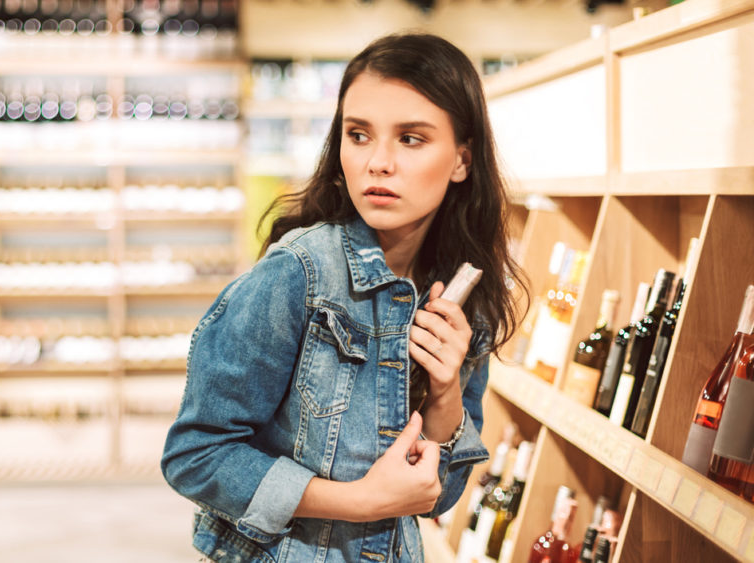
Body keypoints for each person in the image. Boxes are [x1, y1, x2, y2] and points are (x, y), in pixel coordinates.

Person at [162, 33, 528, 562]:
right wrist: (358, 502)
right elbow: (194, 455)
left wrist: (446, 393)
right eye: (359, 135)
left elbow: (436, 497)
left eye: (410, 139)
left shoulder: (467, 296)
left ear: (461, 160)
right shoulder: (298, 274)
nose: (378, 162)